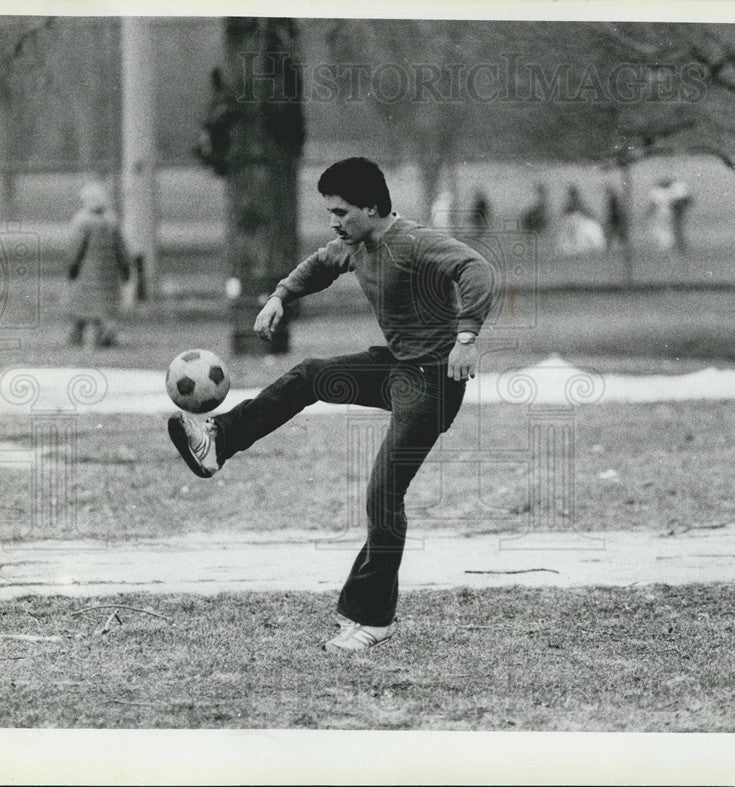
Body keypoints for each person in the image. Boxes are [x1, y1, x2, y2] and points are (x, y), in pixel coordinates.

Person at [168, 157, 495, 652]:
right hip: (397, 370)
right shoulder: (355, 245)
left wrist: (466, 337)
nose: (334, 221)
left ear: (371, 206)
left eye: (341, 211)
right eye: (330, 212)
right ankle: (220, 440)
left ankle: (374, 618)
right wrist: (282, 295)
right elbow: (320, 265)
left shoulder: (412, 241)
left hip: (431, 384)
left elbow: (476, 269)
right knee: (311, 375)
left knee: (384, 494)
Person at [68, 183, 129, 347]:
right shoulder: (112, 221)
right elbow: (121, 249)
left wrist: (72, 267)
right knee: (104, 309)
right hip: (109, 274)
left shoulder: (82, 221)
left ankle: (81, 337)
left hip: (87, 273)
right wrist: (125, 270)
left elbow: (76, 249)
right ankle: (104, 336)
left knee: (84, 307)